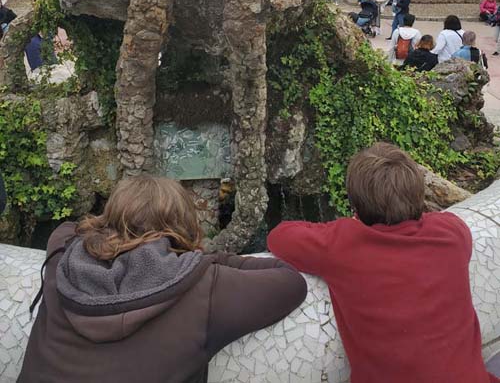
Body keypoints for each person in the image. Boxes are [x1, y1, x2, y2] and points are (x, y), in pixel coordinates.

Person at [19, 175, 307, 383]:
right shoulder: (203, 285)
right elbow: (290, 281)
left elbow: (69, 228)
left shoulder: (64, 260)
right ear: (183, 228)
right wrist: (204, 259)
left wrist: (109, 232)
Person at [268, 142, 500, 383]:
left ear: (356, 208)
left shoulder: (342, 245)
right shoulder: (453, 233)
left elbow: (279, 236)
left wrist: (348, 227)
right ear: (420, 194)